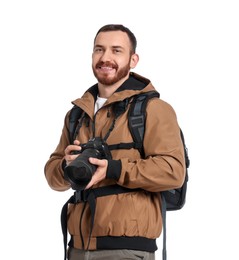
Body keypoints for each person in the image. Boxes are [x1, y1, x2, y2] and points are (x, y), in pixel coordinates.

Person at [44, 24, 186, 260]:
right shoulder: (77, 114)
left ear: (133, 60)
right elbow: (52, 176)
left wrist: (113, 169)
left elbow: (173, 171)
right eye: (99, 50)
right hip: (77, 247)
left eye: (116, 50)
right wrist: (64, 166)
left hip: (127, 250)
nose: (105, 58)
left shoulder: (154, 109)